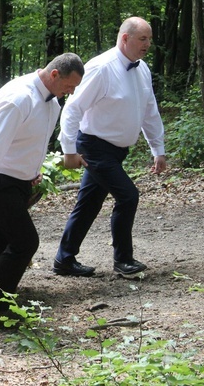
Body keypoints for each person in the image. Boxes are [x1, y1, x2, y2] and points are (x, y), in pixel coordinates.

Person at [0, 53, 84, 318]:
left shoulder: (52, 101)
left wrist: (34, 169)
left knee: (0, 242)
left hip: (20, 181)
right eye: (69, 86)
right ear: (54, 74)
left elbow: (35, 139)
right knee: (25, 242)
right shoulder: (19, 98)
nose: (70, 92)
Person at [53, 17, 167, 279]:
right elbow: (72, 108)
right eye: (143, 39)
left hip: (117, 151)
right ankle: (123, 261)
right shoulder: (101, 68)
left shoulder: (143, 69)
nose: (148, 44)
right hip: (94, 147)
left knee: (89, 204)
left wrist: (157, 149)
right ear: (125, 38)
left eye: (149, 39)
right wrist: (69, 149)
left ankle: (64, 259)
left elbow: (150, 111)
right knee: (128, 196)